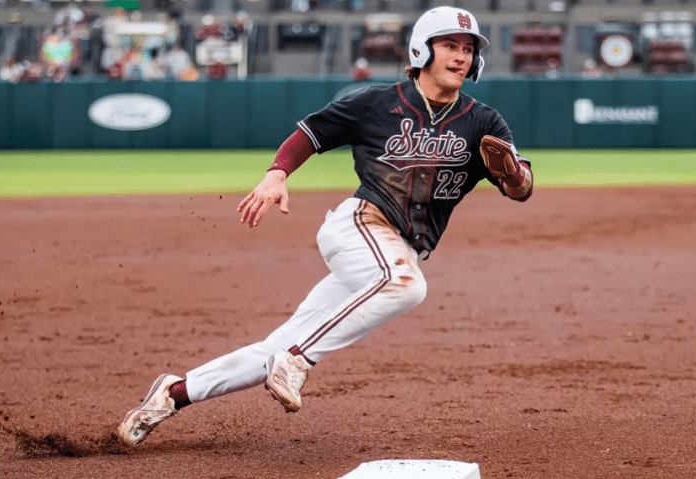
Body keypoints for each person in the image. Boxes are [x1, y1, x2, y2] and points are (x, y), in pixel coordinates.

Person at [117, 6, 534, 447]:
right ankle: (299, 360)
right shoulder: (376, 102)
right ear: (422, 50)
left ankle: (172, 394)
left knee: (274, 349)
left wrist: (512, 174)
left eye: (468, 49)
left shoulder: (483, 121)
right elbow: (310, 134)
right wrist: (277, 173)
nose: (460, 56)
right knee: (408, 287)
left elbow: (522, 188)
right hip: (359, 225)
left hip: (395, 253)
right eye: (450, 45)